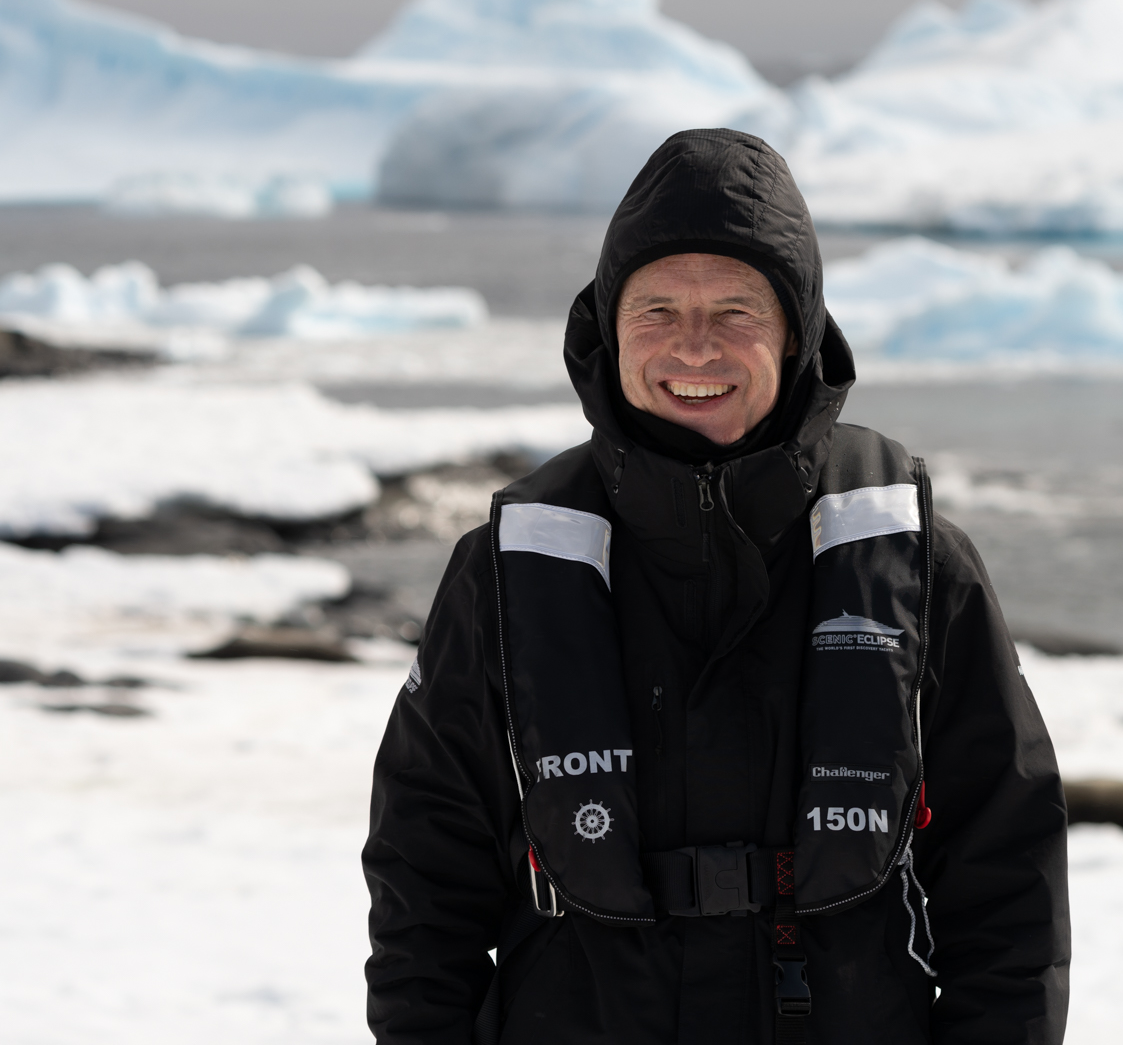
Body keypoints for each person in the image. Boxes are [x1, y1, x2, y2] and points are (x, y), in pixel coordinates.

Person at [363, 129, 1069, 1045]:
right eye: (656, 310)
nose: (693, 350)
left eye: (736, 312)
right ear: (608, 332)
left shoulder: (916, 562)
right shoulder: (505, 571)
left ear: (797, 334)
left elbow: (1007, 876)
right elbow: (424, 879)